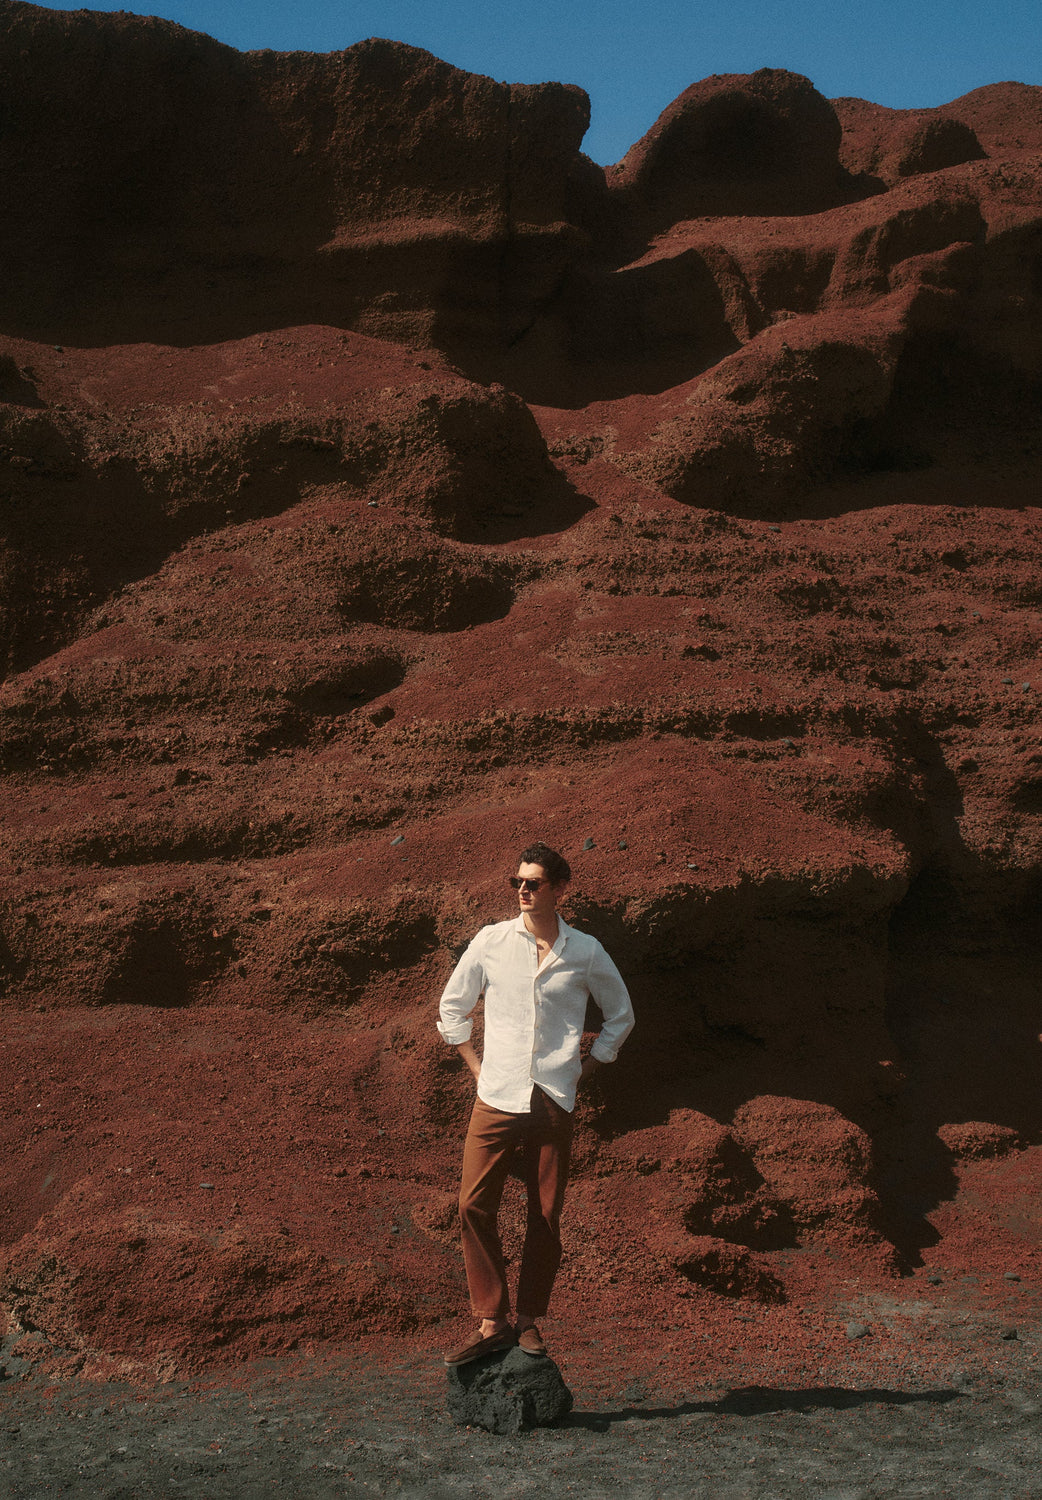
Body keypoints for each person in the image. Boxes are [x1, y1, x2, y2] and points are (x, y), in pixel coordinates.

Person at [436, 840, 634, 1366]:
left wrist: (586, 1069)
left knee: (545, 1214)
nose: (522, 890)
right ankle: (491, 1319)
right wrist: (476, 1067)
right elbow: (453, 1006)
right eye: (517, 882)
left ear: (559, 889)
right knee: (472, 1204)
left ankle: (527, 1320)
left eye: (533, 883)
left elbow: (621, 1015)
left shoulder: (586, 951)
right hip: (496, 1094)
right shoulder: (491, 941)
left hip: (552, 1098)